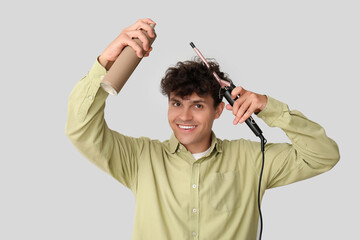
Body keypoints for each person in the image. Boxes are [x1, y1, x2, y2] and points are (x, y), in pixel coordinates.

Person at [65, 18, 340, 240]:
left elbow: (323, 155)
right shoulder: (140, 158)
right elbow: (80, 128)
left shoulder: (253, 159)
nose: (184, 115)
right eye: (176, 103)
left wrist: (269, 107)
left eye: (197, 105)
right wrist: (105, 63)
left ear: (218, 109)